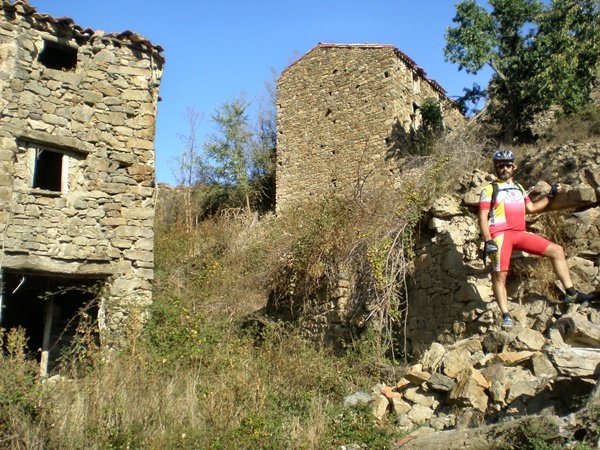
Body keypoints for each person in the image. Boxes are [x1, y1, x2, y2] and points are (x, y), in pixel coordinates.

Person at [478, 149, 594, 330]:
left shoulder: (518, 187)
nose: (504, 168)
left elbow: (531, 209)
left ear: (514, 167)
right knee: (500, 276)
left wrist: (550, 195)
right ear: (496, 168)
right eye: (500, 166)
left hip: (520, 233)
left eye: (507, 165)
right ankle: (506, 314)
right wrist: (488, 240)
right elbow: (483, 217)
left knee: (556, 250)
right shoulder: (489, 189)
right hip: (500, 235)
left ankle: (571, 293)